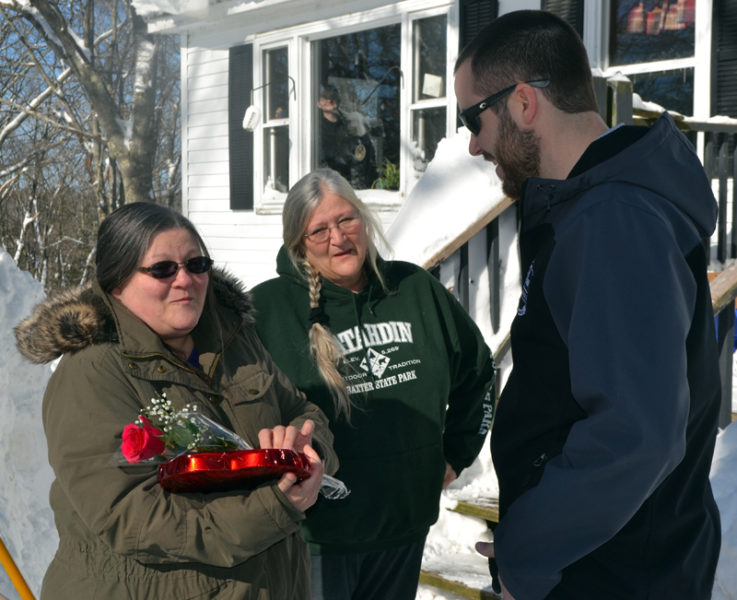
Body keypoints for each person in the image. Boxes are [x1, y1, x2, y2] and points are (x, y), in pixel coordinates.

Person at [453, 9, 721, 600]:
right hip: (604, 561)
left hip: (616, 573)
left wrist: (531, 552)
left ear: (523, 103)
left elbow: (637, 433)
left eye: (474, 117)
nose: (473, 144)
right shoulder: (587, 212)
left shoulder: (614, 221)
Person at [14, 202, 338, 600]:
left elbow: (301, 410)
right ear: (117, 282)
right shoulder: (92, 372)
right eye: (163, 269)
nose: (185, 280)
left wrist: (308, 448)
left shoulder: (233, 337)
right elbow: (132, 517)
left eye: (197, 264)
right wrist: (272, 509)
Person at [249, 168, 496, 600]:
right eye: (319, 230)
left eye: (346, 219)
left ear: (364, 217)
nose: (339, 238)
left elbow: (478, 373)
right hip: (316, 539)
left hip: (404, 528)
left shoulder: (415, 289)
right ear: (298, 244)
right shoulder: (269, 309)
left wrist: (457, 453)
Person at [317, 85, 377, 189]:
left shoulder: (351, 125)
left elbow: (363, 156)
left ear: (339, 101)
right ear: (318, 103)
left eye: (333, 96)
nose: (329, 100)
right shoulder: (315, 128)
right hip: (327, 186)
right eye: (324, 97)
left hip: (353, 186)